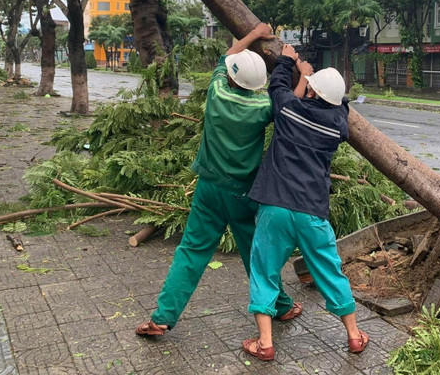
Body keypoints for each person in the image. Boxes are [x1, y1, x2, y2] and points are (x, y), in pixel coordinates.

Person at [136, 23, 301, 337]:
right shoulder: (263, 106)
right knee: (257, 255)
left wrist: (253, 35)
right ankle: (280, 306)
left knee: (192, 251)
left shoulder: (217, 91)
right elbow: (289, 105)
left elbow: (228, 56)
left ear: (230, 77)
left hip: (209, 189)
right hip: (244, 195)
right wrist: (293, 66)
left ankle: (162, 317)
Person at [241, 44, 369, 361]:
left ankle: (265, 343)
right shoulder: (337, 126)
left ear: (310, 93)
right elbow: (341, 106)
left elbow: (277, 86)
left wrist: (288, 60)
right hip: (311, 213)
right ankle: (354, 336)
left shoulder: (287, 111)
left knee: (264, 270)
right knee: (330, 272)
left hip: (275, 207)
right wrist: (315, 82)